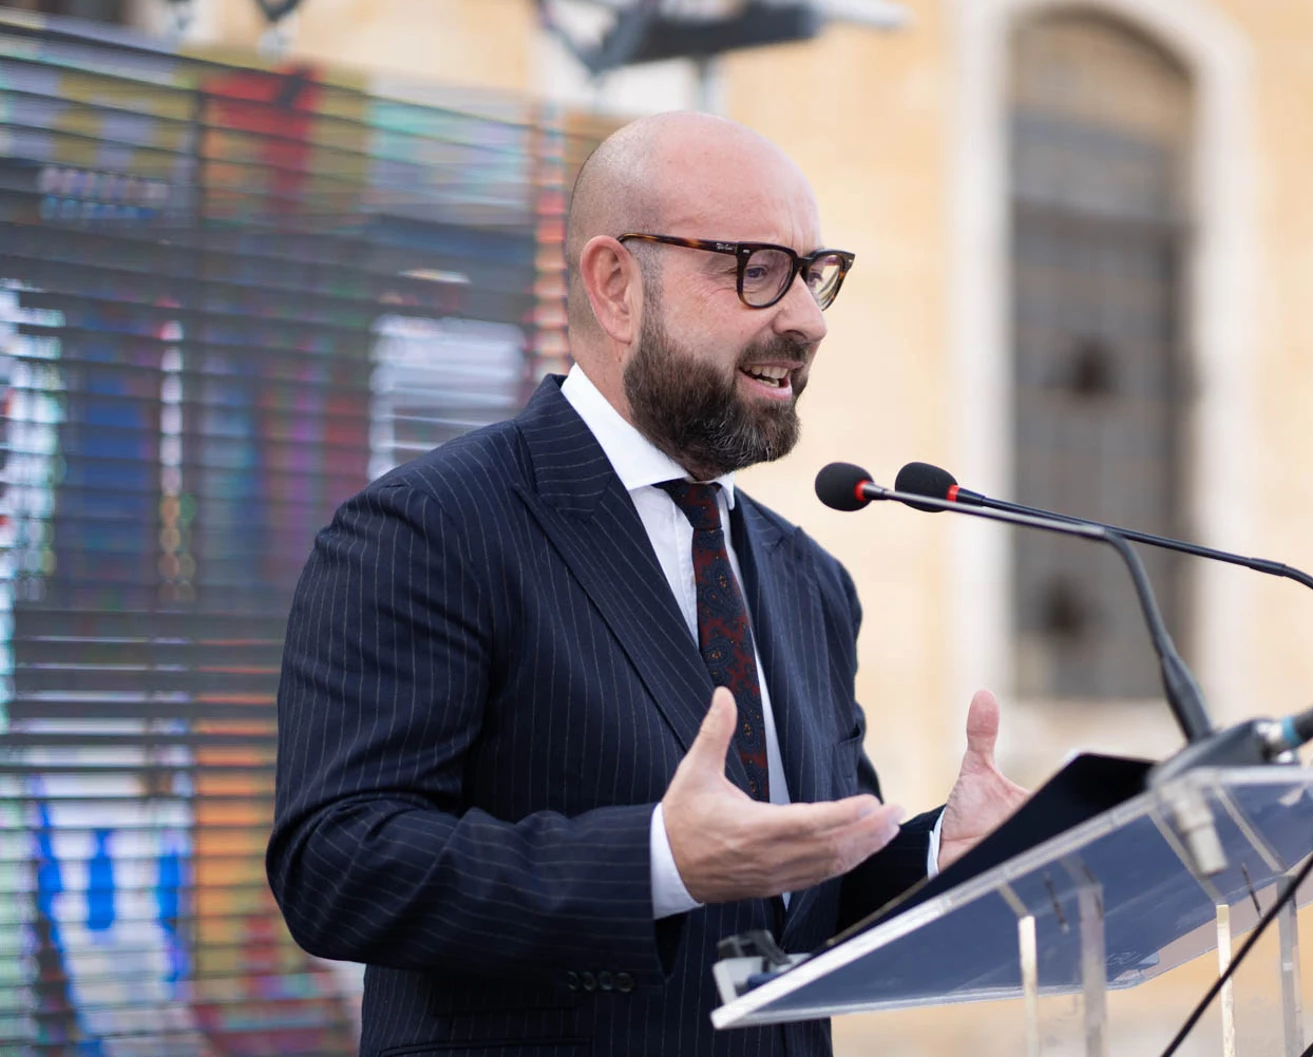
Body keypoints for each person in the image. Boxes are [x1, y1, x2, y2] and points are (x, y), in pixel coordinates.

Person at [267, 112, 1030, 1057]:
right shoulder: (429, 528)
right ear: (616, 283)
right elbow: (338, 866)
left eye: (815, 273)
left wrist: (935, 855)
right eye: (755, 267)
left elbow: (800, 892)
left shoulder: (809, 580)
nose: (808, 318)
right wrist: (658, 862)